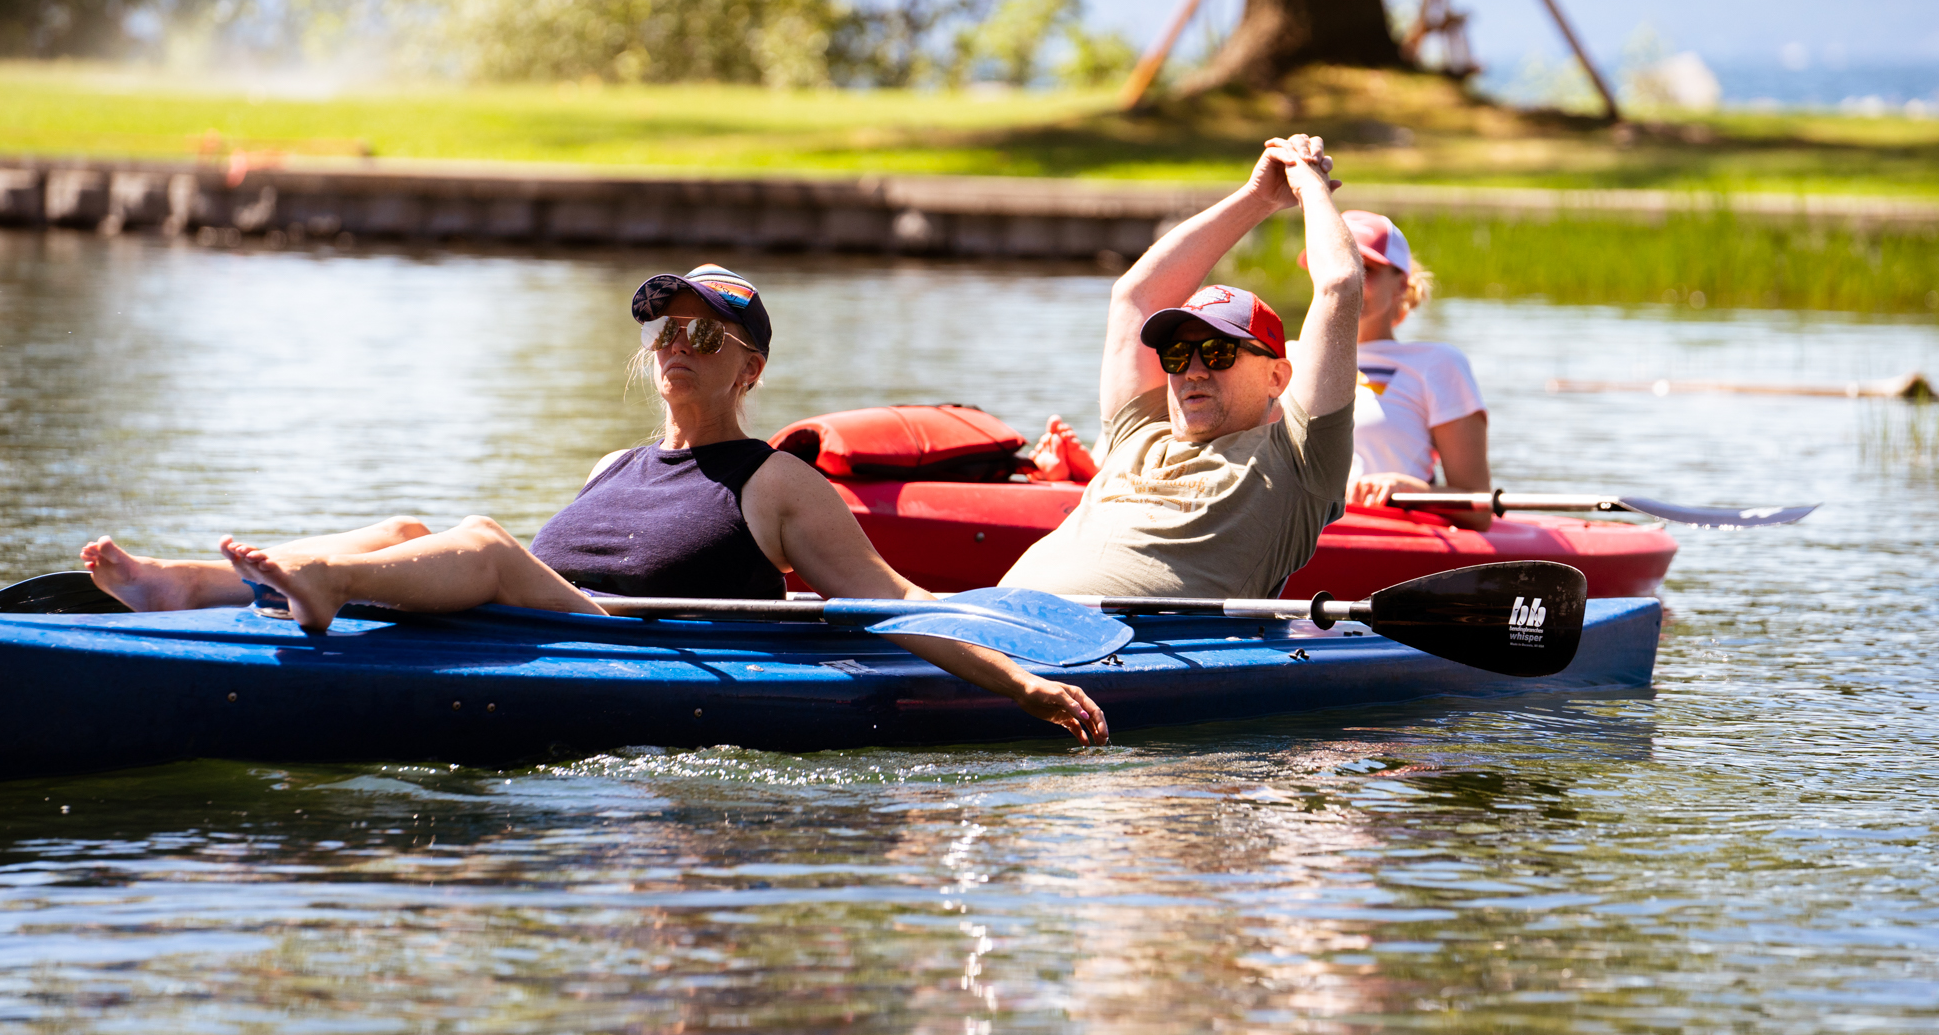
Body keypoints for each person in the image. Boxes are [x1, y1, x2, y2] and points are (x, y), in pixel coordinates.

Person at [82, 265, 1108, 744]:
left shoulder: (778, 480)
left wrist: (1015, 682)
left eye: (702, 336)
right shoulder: (611, 462)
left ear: (746, 369)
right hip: (526, 627)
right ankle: (189, 583)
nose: (674, 346)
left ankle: (317, 583)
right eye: (665, 331)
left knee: (480, 538)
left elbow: (886, 601)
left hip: (624, 653)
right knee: (410, 530)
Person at [1000, 135, 1363, 599]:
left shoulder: (1298, 461)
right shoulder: (1137, 432)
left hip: (1109, 652)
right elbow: (1135, 297)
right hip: (995, 622)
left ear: (1277, 376)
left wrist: (1308, 183)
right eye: (1176, 355)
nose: (1193, 370)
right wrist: (1256, 198)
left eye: (1218, 353)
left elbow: (1340, 284)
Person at [1320, 211, 1492, 531]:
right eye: (1334, 264)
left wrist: (1414, 491)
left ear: (1400, 285)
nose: (1345, 280)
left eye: (1365, 269)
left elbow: (1478, 509)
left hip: (1389, 531)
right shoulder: (1287, 356)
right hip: (1301, 533)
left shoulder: (1438, 363)